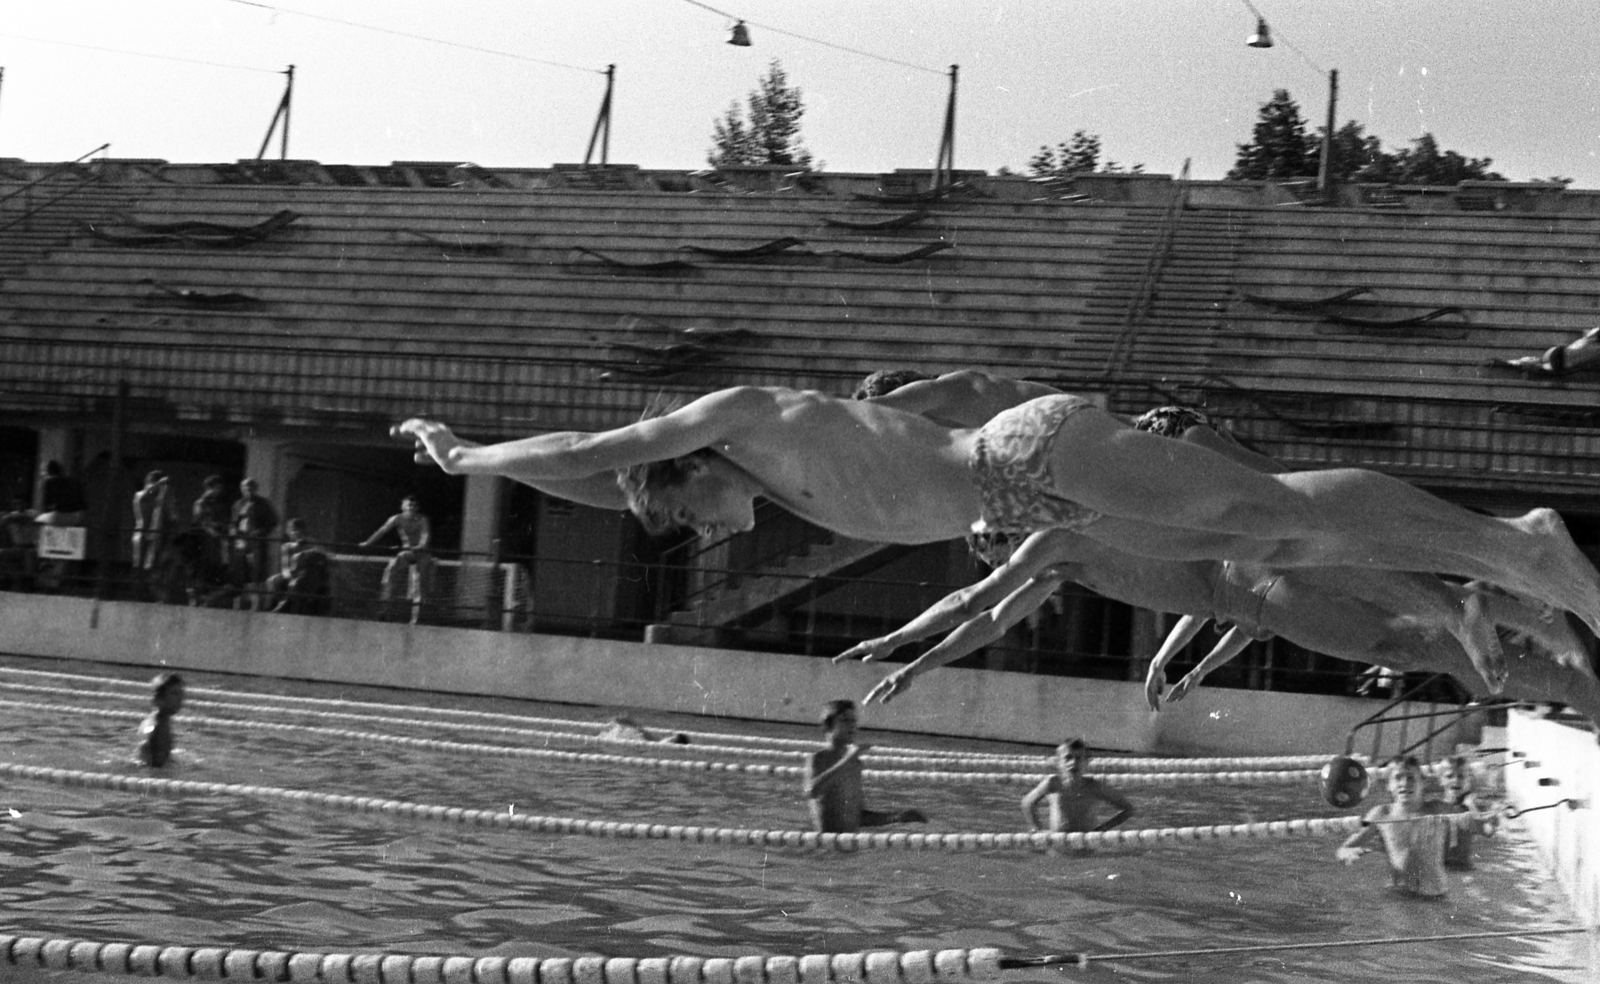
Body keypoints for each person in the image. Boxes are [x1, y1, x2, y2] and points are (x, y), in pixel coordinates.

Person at [391, 383, 1600, 639]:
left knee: (1268, 511)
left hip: (1024, 450)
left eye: (687, 515)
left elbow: (599, 448)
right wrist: (509, 473)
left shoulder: (741, 415)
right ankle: (1504, 567)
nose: (707, 533)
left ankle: (1515, 549)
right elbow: (594, 479)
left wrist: (466, 457)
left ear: (688, 466)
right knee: (1268, 543)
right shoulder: (772, 482)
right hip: (1021, 501)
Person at [1336, 756, 1454, 899]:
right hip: (1399, 896)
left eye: (1411, 778)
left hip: (1436, 895)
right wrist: (1348, 853)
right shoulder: (1380, 814)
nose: (1404, 783)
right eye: (1398, 777)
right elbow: (1345, 847)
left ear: (1423, 782)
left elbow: (1474, 817)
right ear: (1389, 785)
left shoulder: (1438, 809)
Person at [803, 699, 927, 834]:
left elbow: (859, 817)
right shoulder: (818, 759)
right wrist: (846, 761)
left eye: (854, 720)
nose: (852, 725)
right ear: (828, 725)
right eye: (845, 720)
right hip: (826, 849)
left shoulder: (855, 764)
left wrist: (898, 817)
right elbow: (811, 791)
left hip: (849, 850)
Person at [1020, 738, 1134, 839]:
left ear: (1086, 762)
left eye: (1079, 758)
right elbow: (1027, 803)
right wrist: (1037, 828)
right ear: (1058, 763)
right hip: (1057, 844)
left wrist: (1101, 830)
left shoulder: (1094, 787)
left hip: (1086, 847)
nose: (1073, 762)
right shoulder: (1052, 784)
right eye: (1068, 758)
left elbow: (1128, 809)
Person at [361, 494, 436, 619]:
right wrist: (367, 543)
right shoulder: (397, 519)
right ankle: (384, 609)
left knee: (420, 585)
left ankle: (417, 618)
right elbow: (382, 531)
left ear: (417, 508)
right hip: (407, 552)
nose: (411, 508)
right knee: (390, 571)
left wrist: (418, 547)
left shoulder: (423, 519)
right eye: (409, 505)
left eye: (414, 505)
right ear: (403, 506)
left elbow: (425, 538)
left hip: (422, 554)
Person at [1439, 753, 1498, 870]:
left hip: (1465, 868)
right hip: (1441, 870)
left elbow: (1488, 832)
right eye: (1450, 776)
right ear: (1441, 780)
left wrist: (1493, 820)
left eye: (1460, 776)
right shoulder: (1435, 807)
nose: (1455, 780)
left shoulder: (1470, 808)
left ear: (1467, 780)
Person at [230, 478, 280, 610]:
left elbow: (273, 521)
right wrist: (235, 534)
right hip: (241, 542)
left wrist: (260, 532)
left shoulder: (263, 504)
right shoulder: (238, 504)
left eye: (251, 487)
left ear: (256, 488)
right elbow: (234, 523)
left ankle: (256, 607)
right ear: (242, 489)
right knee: (239, 574)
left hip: (256, 543)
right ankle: (236, 607)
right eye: (246, 488)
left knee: (257, 574)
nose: (249, 490)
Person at [131, 470, 181, 579]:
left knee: (152, 566)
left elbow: (170, 513)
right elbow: (146, 493)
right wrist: (160, 483)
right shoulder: (139, 495)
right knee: (139, 566)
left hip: (154, 535)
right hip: (141, 534)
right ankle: (136, 590)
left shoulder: (158, 498)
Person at [135, 672, 185, 768]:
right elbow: (154, 764)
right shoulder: (157, 726)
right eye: (174, 694)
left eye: (181, 693)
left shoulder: (158, 720)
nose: (180, 699)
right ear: (159, 698)